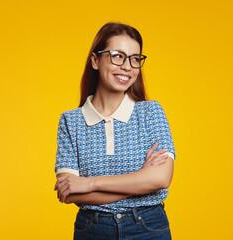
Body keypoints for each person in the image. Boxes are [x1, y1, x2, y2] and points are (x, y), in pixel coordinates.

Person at [54, 22, 176, 240]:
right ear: (95, 60)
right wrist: (140, 181)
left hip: (148, 227)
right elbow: (70, 192)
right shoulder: (70, 121)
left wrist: (90, 182)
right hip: (93, 229)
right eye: (117, 56)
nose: (128, 66)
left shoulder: (150, 112)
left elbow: (160, 178)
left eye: (135, 59)